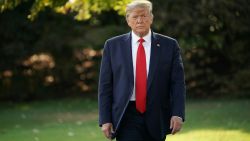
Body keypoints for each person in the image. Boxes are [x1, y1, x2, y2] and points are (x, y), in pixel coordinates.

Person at [98, 0, 186, 141]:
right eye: (135, 17)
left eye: (144, 16)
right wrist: (105, 119)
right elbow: (105, 86)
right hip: (126, 114)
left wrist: (178, 113)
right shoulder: (113, 46)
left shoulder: (169, 45)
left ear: (151, 18)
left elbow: (177, 83)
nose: (140, 20)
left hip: (157, 113)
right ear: (128, 20)